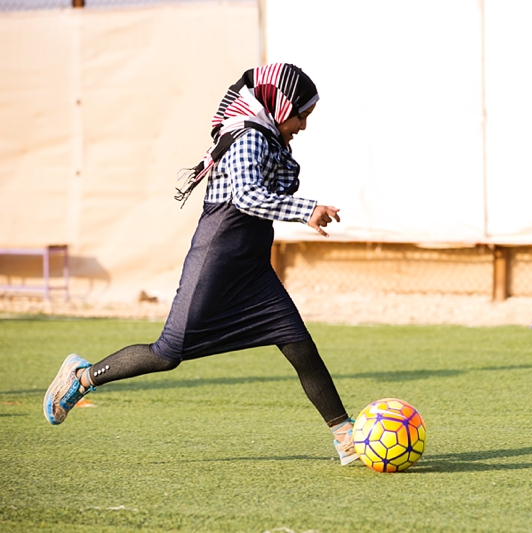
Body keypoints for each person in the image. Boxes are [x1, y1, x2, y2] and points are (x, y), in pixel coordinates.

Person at [43, 63, 359, 466]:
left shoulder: (266, 138)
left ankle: (344, 435)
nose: (303, 125)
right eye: (301, 115)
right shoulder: (249, 138)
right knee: (167, 353)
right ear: (279, 105)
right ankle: (81, 377)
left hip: (251, 268)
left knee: (299, 345)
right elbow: (247, 198)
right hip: (217, 259)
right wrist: (306, 209)